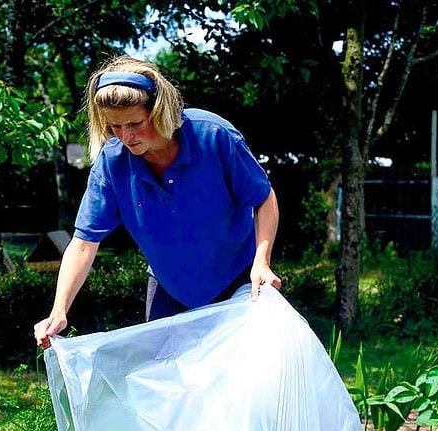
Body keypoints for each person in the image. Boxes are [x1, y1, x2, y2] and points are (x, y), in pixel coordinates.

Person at [34, 56, 281, 349]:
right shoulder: (112, 164)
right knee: (167, 385)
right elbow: (84, 242)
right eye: (115, 127)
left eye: (135, 123)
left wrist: (262, 262)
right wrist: (59, 309)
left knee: (244, 380)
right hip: (169, 288)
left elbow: (264, 198)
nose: (126, 136)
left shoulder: (213, 136)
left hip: (240, 282)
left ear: (160, 111)